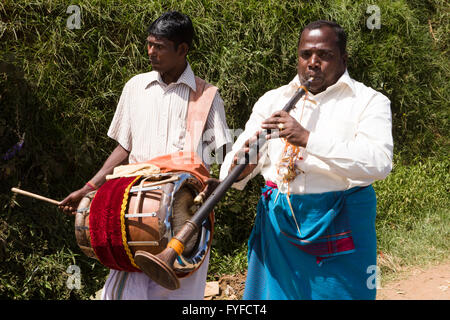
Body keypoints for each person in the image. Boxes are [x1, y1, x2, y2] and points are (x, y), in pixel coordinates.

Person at [60, 11, 232, 300]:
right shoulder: (135, 87)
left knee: (179, 291)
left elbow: (227, 154)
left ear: (183, 49)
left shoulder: (207, 96)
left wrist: (219, 182)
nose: (151, 52)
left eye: (159, 46)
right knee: (125, 289)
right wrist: (90, 188)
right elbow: (124, 149)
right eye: (149, 44)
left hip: (186, 212)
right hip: (133, 204)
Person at [219, 20, 393, 300]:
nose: (313, 63)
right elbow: (232, 167)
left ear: (343, 59)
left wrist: (308, 139)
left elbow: (379, 162)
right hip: (279, 230)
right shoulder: (272, 100)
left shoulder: (370, 101)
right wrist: (242, 166)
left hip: (341, 226)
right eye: (305, 55)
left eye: (324, 55)